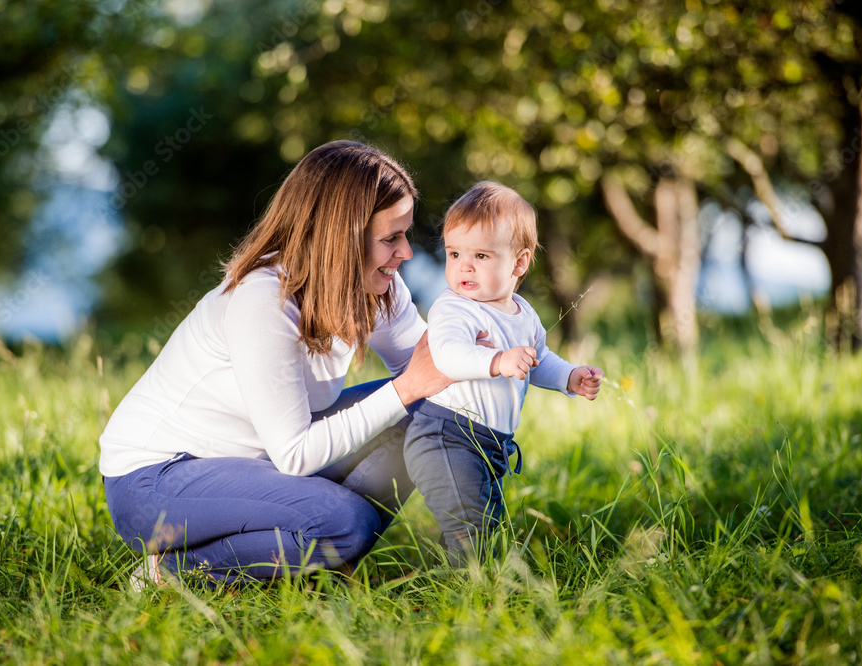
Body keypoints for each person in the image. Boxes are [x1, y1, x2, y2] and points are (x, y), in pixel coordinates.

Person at [100, 141, 483, 588]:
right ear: (342, 238)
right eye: (390, 238)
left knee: (426, 412)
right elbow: (296, 454)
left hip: (256, 465)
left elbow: (436, 370)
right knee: (345, 522)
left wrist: (500, 354)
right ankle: (170, 571)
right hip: (156, 481)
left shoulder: (379, 287)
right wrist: (406, 389)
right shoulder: (263, 299)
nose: (406, 253)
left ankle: (316, 550)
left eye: (405, 234)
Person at [403, 181, 603, 564]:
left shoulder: (522, 313)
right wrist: (496, 361)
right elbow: (446, 356)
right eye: (454, 252)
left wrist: (569, 377)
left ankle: (469, 585)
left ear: (519, 262)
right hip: (446, 435)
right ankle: (473, 594)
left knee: (485, 522)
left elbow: (537, 358)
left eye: (480, 255)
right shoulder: (454, 308)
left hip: (490, 444)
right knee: (471, 528)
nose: (463, 265)